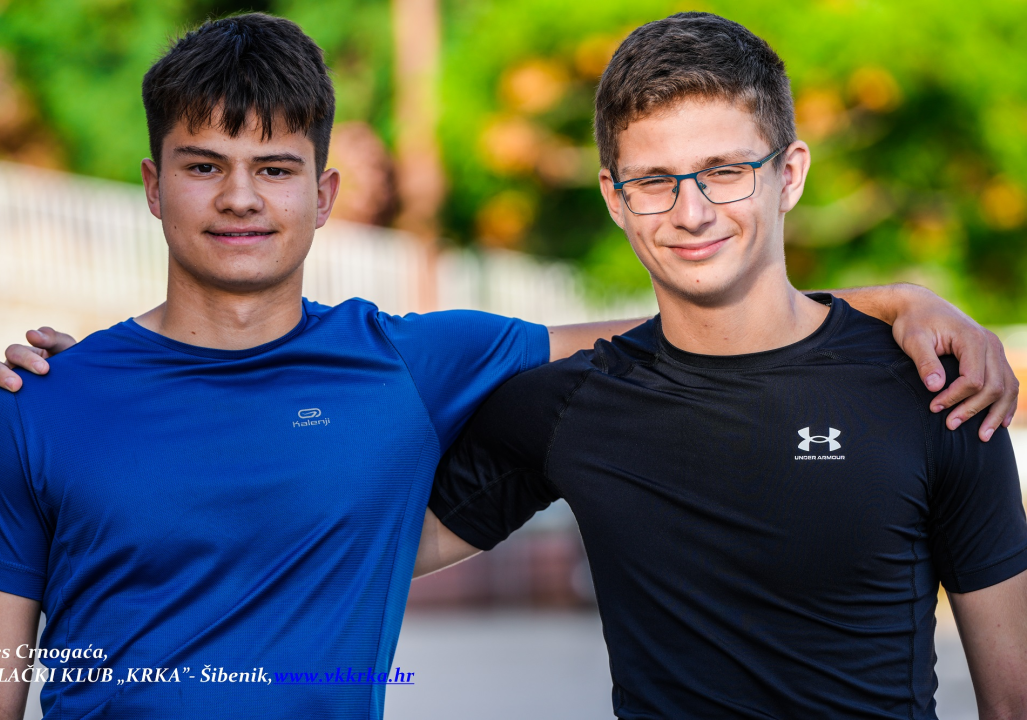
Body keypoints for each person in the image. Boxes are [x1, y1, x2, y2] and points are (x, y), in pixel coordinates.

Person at [0, 11, 1018, 720]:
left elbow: (679, 317)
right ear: (151, 184)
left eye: (275, 168)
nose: (240, 199)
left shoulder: (413, 361)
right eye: (204, 167)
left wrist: (890, 304)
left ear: (323, 196)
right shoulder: (38, 407)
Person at [419, 12, 1027, 720]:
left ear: (789, 175)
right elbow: (356, 564)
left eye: (725, 172)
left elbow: (1012, 700)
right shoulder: (562, 407)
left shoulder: (929, 388)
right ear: (616, 198)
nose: (692, 212)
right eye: (654, 181)